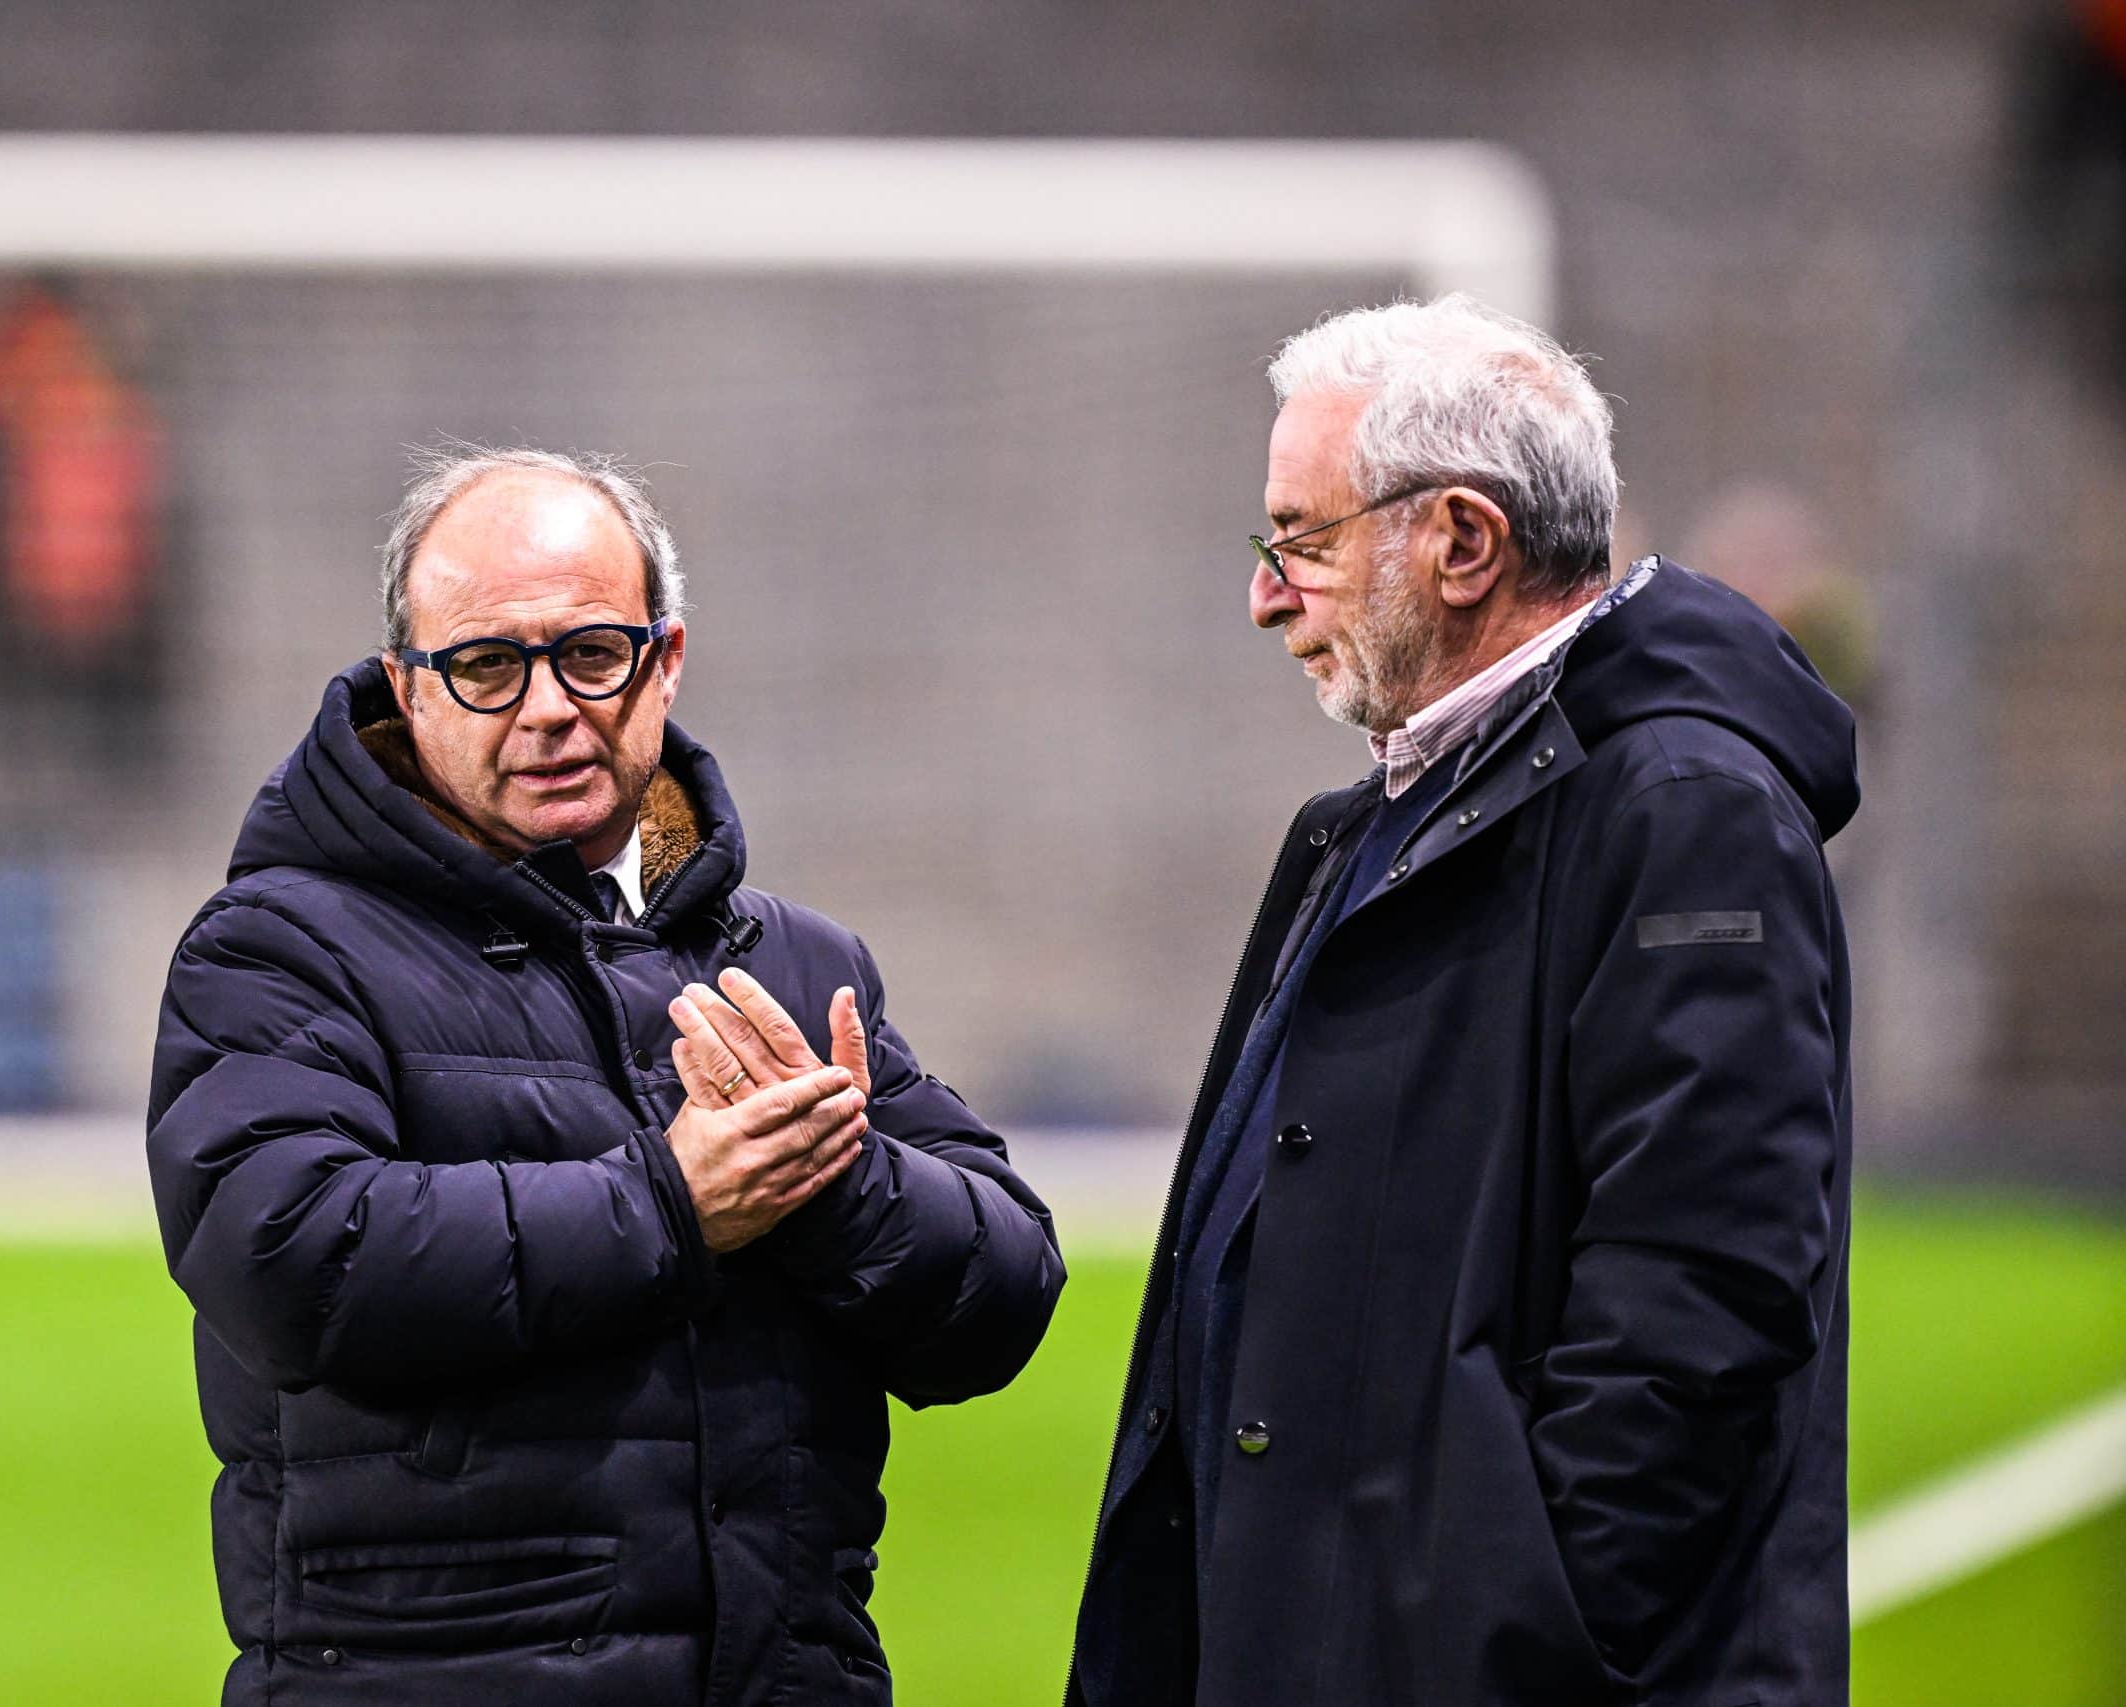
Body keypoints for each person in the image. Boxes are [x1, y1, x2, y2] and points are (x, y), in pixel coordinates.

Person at [146, 445, 1063, 1706]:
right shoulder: (280, 948)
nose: (547, 709)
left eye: (591, 653)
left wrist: (835, 1185)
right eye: (485, 666)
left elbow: (1004, 1296)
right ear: (405, 691)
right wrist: (672, 1205)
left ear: (665, 660)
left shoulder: (792, 960)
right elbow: (290, 1259)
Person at [1068, 297, 1857, 1706]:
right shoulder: (1369, 820)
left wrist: (1514, 1634)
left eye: (1299, 541)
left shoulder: (1685, 804)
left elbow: (1703, 1299)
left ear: (1463, 542)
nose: (1265, 593)